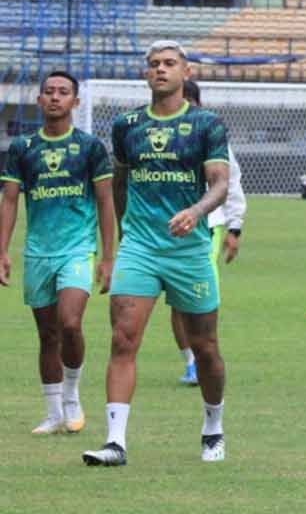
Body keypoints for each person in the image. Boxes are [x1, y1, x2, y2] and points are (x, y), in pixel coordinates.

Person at [81, 41, 231, 466]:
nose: (159, 70)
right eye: (153, 65)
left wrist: (196, 210)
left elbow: (220, 183)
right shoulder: (126, 125)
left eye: (168, 64)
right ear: (145, 74)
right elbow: (121, 186)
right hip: (141, 248)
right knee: (123, 338)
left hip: (189, 248)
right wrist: (126, 237)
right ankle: (115, 442)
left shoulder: (207, 124)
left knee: (205, 348)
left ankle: (213, 425)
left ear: (185, 70)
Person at [0, 70, 114, 435]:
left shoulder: (91, 148)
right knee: (47, 335)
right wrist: (2, 251)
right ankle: (52, 413)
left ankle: (72, 395)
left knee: (70, 323)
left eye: (63, 92)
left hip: (77, 249)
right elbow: (10, 201)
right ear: (39, 100)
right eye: (48, 91)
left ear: (75, 102)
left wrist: (108, 256)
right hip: (38, 253)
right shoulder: (23, 149)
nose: (54, 97)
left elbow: (105, 200)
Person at [172, 80, 245, 386]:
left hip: (207, 225)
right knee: (177, 300)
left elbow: (232, 183)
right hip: (164, 227)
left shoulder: (214, 139)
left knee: (199, 293)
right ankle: (191, 362)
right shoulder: (156, 139)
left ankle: (204, 357)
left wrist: (235, 227)